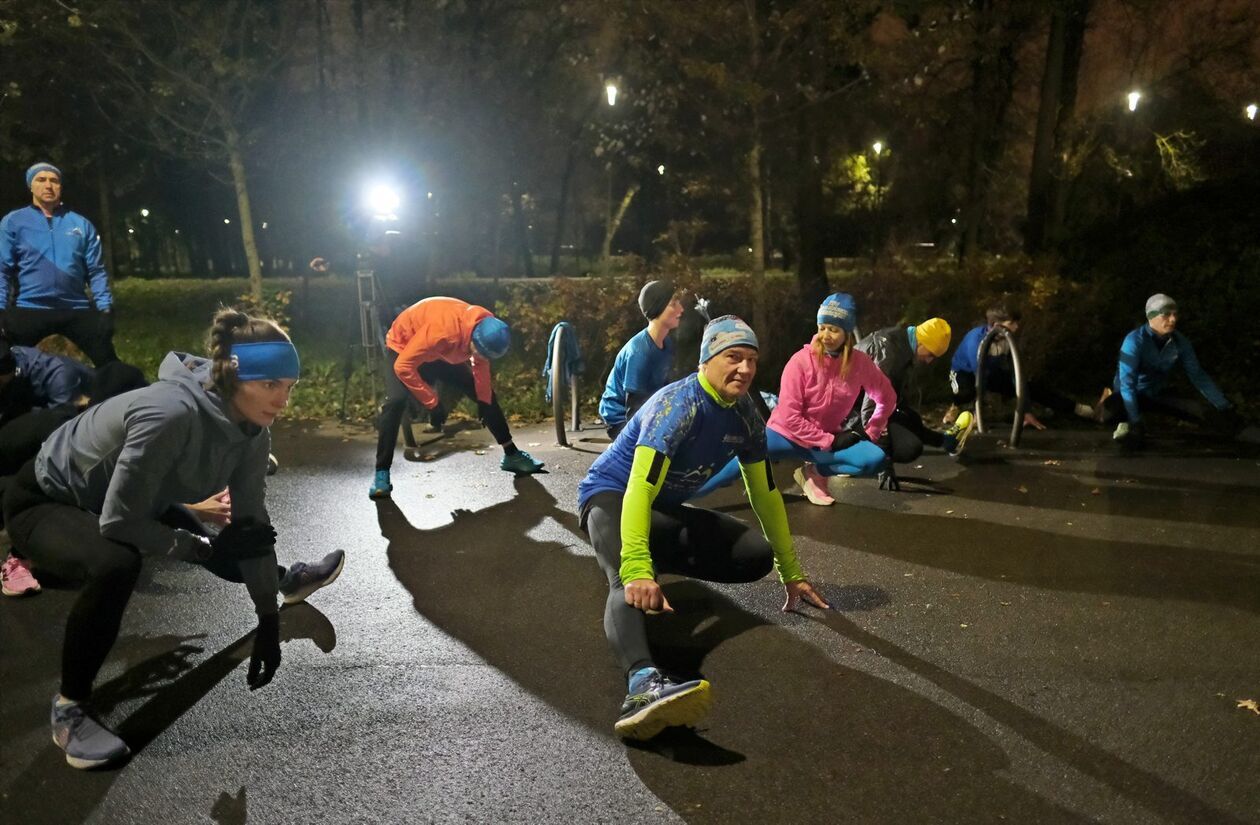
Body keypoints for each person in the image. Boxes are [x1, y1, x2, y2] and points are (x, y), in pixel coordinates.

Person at [2, 308, 345, 768]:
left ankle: (285, 583)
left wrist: (267, 621)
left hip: (132, 496)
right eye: (270, 385)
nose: (283, 400)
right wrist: (201, 547)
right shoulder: (169, 412)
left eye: (290, 387)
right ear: (232, 375)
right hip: (47, 499)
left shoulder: (252, 431)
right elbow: (119, 524)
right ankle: (70, 712)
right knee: (116, 561)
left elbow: (250, 525)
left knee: (229, 543)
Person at [577, 314, 830, 741]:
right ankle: (641, 686)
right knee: (626, 579)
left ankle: (646, 563)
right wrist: (637, 564)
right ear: (707, 360)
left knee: (754, 555)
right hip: (611, 499)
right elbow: (639, 486)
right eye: (733, 357)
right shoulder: (677, 405)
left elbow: (765, 494)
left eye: (751, 359)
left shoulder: (746, 416)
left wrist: (792, 571)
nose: (745, 369)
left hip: (660, 508)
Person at [693, 293, 895, 506]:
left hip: (822, 440)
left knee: (875, 459)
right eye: (822, 327)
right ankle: (674, 497)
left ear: (847, 332)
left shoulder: (860, 363)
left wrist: (872, 430)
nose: (826, 335)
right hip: (785, 434)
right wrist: (830, 441)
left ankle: (814, 472)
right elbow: (790, 417)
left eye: (833, 330)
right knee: (729, 469)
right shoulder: (800, 362)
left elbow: (887, 397)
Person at [370, 296, 543, 499]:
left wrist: (484, 402)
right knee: (395, 402)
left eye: (484, 355)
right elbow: (403, 367)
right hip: (404, 347)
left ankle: (512, 454)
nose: (479, 357)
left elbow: (481, 371)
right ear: (472, 339)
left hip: (439, 351)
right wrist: (432, 403)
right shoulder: (443, 332)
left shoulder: (487, 330)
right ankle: (382, 473)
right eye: (476, 351)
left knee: (484, 394)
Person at [0, 163, 117, 365]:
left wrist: (105, 308)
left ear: (60, 187)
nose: (48, 185)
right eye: (41, 180)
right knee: (5, 363)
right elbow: (3, 270)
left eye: (54, 181)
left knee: (111, 363)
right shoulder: (13, 222)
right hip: (30, 306)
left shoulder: (81, 224)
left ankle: (121, 395)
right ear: (31, 186)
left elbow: (96, 271)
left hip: (76, 307)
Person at [1099, 293, 1238, 447]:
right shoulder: (1134, 341)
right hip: (1130, 395)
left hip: (1156, 394)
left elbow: (1198, 375)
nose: (1173, 319)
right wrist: (1135, 421)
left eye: (1175, 314)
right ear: (1151, 317)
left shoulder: (1180, 341)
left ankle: (1240, 431)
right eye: (1166, 314)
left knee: (1202, 412)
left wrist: (1224, 406)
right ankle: (1126, 422)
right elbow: (1127, 384)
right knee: (1111, 411)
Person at [946, 304, 1093, 430]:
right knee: (965, 392)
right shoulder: (976, 340)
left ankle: (1080, 410)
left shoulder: (1007, 339)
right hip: (965, 372)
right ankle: (955, 406)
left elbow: (1016, 374)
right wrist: (978, 414)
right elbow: (979, 374)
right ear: (997, 325)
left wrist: (1025, 410)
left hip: (991, 373)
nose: (1016, 327)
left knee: (1032, 387)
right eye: (1012, 323)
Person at [854, 317, 972, 463]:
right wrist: (884, 463)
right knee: (910, 448)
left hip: (857, 407)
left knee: (911, 418)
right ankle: (849, 455)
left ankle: (947, 441)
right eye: (930, 355)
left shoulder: (902, 342)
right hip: (845, 416)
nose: (929, 361)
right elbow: (871, 410)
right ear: (921, 342)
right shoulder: (889, 356)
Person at [598, 280, 685, 439]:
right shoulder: (640, 351)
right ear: (657, 308)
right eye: (673, 304)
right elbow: (634, 407)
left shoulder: (666, 343)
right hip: (621, 420)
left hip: (649, 412)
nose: (681, 309)